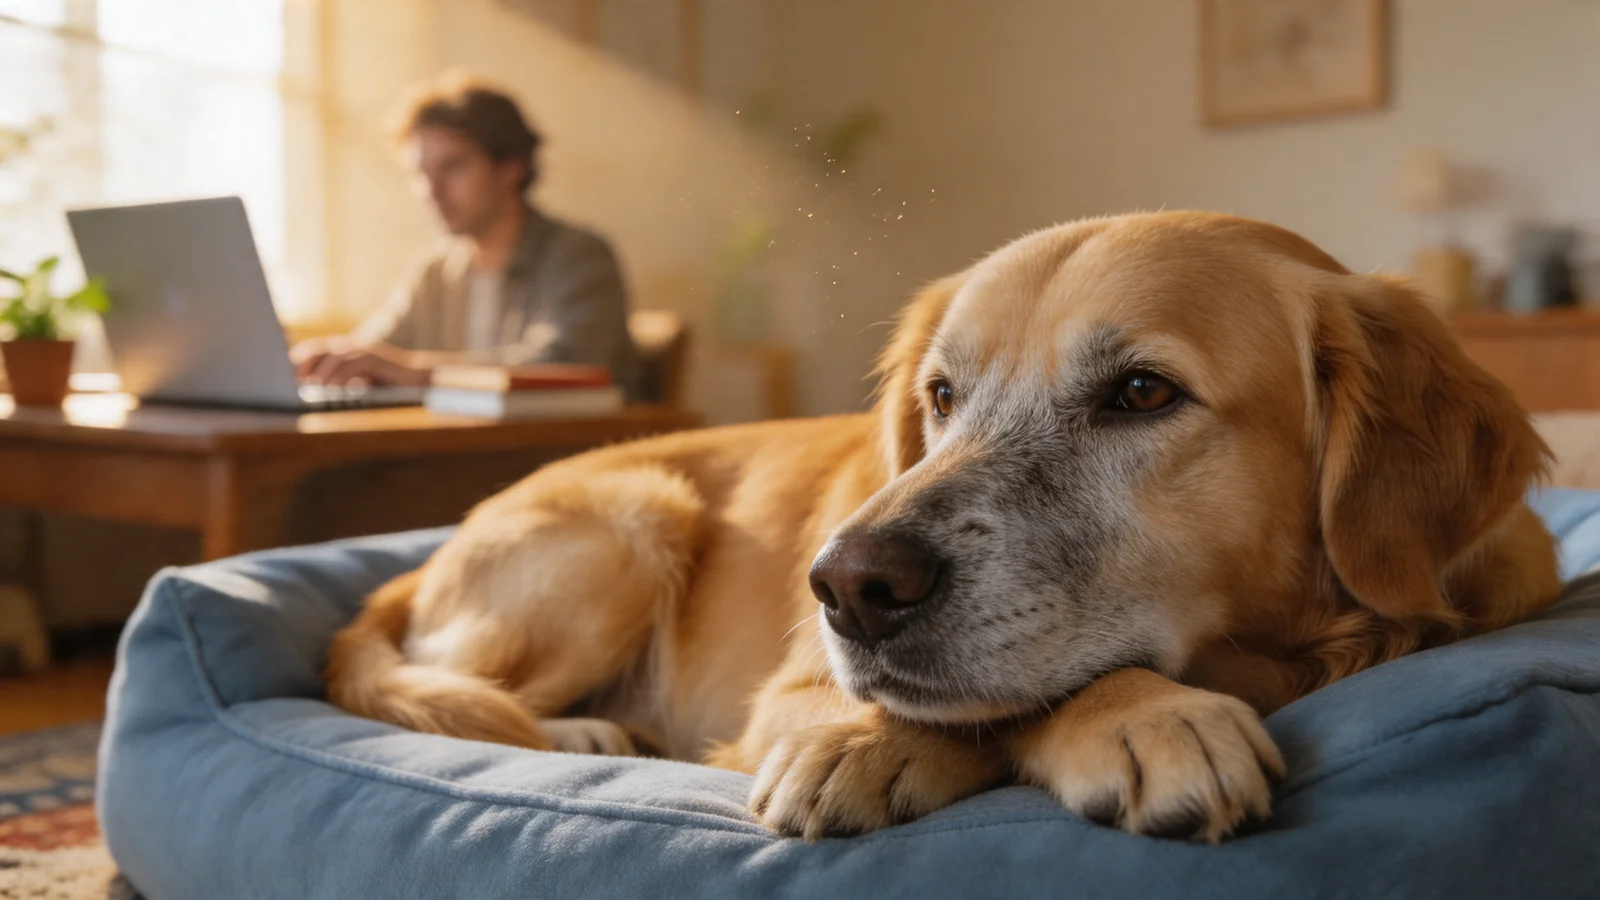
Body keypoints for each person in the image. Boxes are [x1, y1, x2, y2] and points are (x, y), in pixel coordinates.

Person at [291, 74, 638, 396]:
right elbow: (378, 352)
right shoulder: (435, 271)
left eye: (452, 166)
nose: (431, 191)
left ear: (511, 166)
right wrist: (331, 359)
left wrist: (417, 371)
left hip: (561, 454)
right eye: (420, 173)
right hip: (457, 454)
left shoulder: (580, 257)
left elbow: (569, 364)